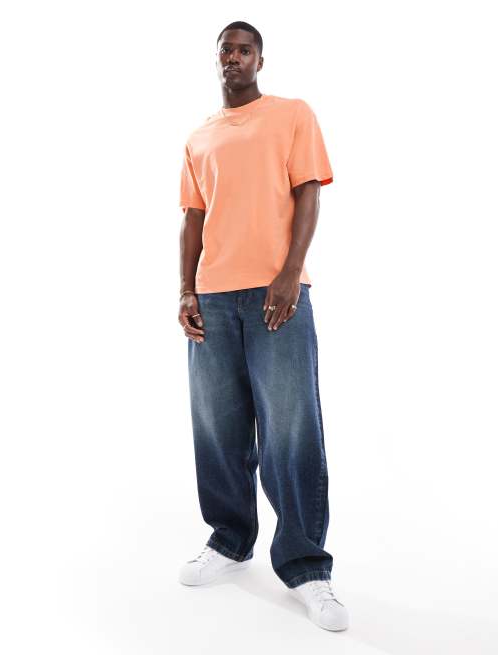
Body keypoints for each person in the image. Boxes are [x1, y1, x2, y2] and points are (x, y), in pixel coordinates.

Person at [176, 21, 349, 632]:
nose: (234, 57)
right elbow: (192, 219)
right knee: (218, 426)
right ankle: (229, 539)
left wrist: (289, 273)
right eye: (225, 49)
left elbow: (309, 193)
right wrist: (186, 290)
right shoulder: (200, 137)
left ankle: (306, 566)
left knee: (291, 428)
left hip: (278, 295)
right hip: (213, 299)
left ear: (260, 60)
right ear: (217, 59)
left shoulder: (291, 115)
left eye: (244, 49)